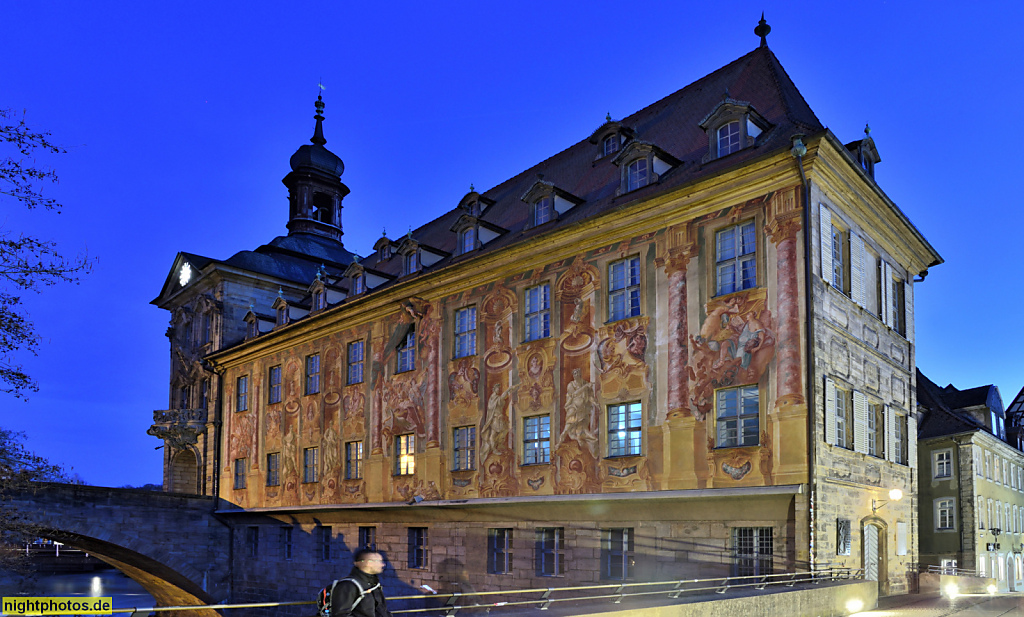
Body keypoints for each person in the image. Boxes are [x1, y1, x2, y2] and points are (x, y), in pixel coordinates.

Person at [331, 549, 391, 617]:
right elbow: (341, 615)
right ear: (368, 563)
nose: (383, 564)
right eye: (379, 561)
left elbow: (383, 611)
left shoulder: (374, 584)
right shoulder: (348, 585)